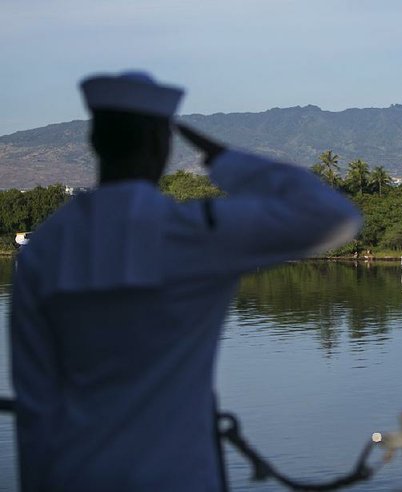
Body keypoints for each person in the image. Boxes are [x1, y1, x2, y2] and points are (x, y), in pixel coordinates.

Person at [10, 71, 361, 491]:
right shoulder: (195, 233)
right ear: (161, 144)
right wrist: (225, 159)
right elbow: (334, 216)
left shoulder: (44, 249)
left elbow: (34, 399)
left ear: (95, 142)